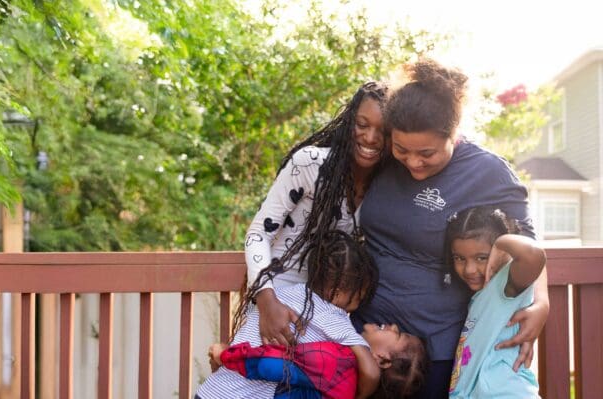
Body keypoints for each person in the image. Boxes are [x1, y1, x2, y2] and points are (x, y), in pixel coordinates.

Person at [351, 59, 550, 398]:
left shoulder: (486, 171)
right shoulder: (384, 158)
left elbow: (527, 238)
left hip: (434, 350)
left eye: (427, 153)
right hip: (365, 336)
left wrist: (541, 303)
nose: (413, 162)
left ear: (453, 134)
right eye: (402, 150)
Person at [242, 81, 389, 347]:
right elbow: (258, 233)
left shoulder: (386, 185)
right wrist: (266, 300)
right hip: (278, 299)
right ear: (349, 122)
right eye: (362, 124)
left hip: (329, 312)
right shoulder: (310, 163)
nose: (370, 137)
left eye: (383, 130)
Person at [198, 231, 426, 399]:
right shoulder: (334, 319)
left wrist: (224, 355)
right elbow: (370, 370)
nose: (393, 326)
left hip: (213, 390)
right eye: (361, 292)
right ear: (340, 293)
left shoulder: (278, 296)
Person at [445, 206, 545, 398]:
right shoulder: (480, 295)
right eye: (459, 258)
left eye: (481, 258)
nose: (469, 269)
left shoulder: (506, 285)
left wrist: (501, 242)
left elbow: (534, 254)